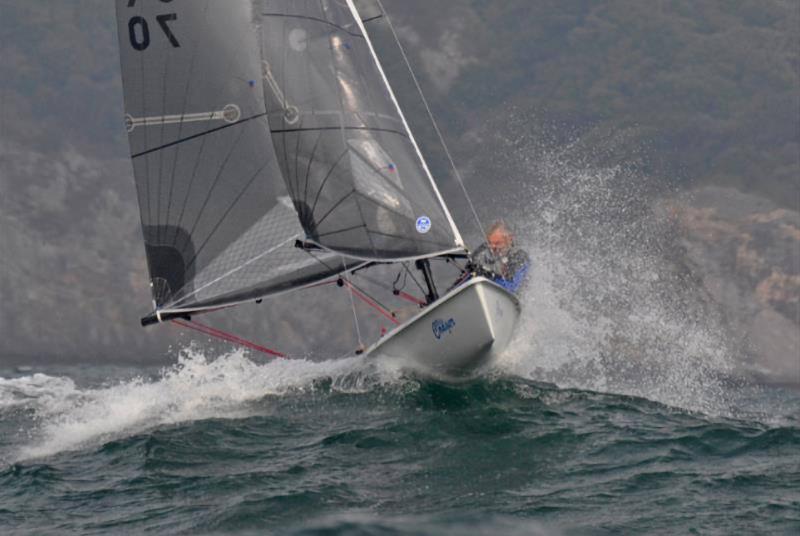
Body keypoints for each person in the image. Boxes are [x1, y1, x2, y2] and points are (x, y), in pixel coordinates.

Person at [470, 221, 530, 293]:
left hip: (513, 297)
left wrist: (489, 276)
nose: (493, 248)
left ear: (509, 239)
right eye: (490, 243)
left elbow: (512, 287)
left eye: (497, 243)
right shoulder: (483, 251)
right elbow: (466, 273)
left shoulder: (520, 257)